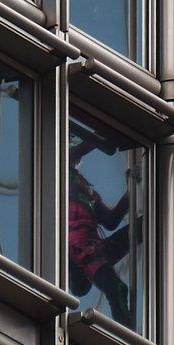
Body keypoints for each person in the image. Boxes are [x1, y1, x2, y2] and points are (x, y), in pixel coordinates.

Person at [69, 134, 138, 328]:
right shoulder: (57, 168)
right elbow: (71, 152)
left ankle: (128, 335)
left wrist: (131, 189)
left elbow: (110, 220)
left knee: (141, 229)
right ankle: (129, 339)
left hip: (91, 243)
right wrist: (106, 135)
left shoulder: (83, 186)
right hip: (79, 243)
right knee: (116, 288)